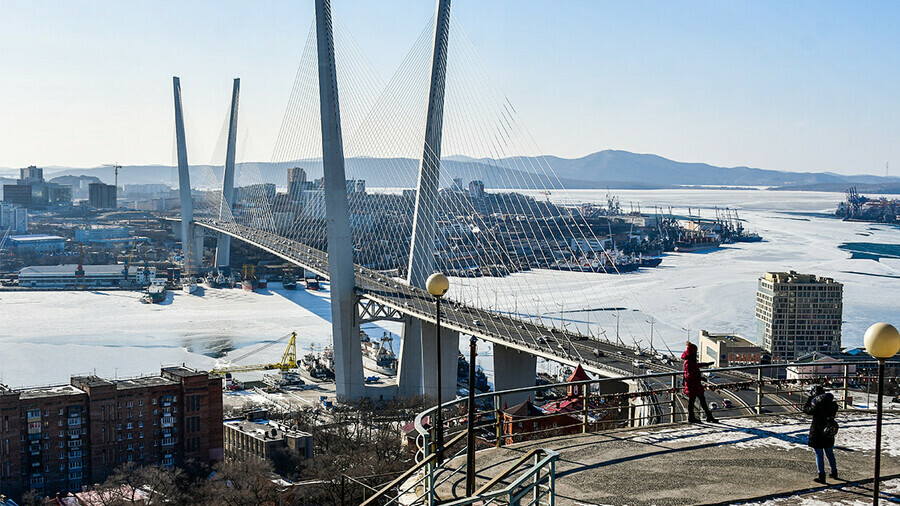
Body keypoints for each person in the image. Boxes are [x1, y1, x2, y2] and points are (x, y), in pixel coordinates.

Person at [803, 384, 839, 484]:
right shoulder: (832, 404)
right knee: (829, 452)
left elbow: (805, 409)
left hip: (817, 431)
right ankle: (834, 472)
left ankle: (821, 476)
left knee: (819, 454)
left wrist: (810, 398)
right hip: (828, 430)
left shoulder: (816, 405)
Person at [682, 342, 717, 423]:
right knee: (694, 401)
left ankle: (707, 416)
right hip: (692, 385)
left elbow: (696, 365)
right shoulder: (688, 362)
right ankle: (694, 418)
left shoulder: (689, 360)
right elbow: (690, 375)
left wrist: (706, 364)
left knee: (698, 401)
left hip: (694, 385)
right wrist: (701, 378)